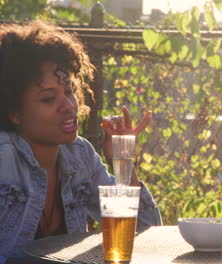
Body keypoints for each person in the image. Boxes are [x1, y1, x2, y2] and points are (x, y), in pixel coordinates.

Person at [0, 20, 162, 263]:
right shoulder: (4, 160)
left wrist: (121, 159)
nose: (68, 106)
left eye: (68, 91)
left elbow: (148, 231)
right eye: (47, 99)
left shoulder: (79, 156)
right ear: (15, 112)